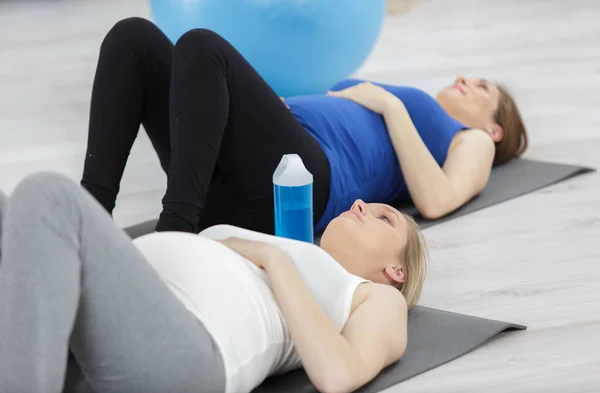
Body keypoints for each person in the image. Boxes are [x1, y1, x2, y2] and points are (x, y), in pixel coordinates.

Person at [0, 171, 427, 393]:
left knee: (48, 195)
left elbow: (338, 375)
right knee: (10, 207)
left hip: (187, 351)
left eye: (383, 216)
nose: (359, 205)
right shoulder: (294, 250)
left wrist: (275, 262)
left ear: (397, 270)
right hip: (101, 333)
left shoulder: (377, 298)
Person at [81, 17, 528, 235]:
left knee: (202, 44)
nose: (466, 80)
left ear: (496, 129)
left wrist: (390, 106)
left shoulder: (471, 141)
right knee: (133, 37)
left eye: (484, 87)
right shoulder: (412, 105)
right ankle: (86, 220)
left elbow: (436, 200)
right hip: (225, 179)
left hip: (302, 185)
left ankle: (175, 232)